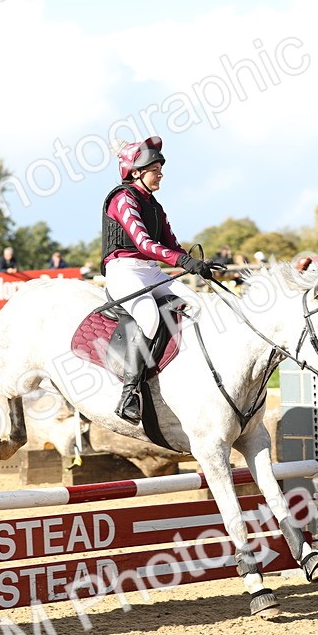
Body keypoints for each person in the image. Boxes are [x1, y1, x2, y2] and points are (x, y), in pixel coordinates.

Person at [102, 135, 223, 423]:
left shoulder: (154, 204)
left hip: (150, 271)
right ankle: (129, 395)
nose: (161, 174)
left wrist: (196, 264)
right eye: (155, 169)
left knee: (198, 304)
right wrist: (182, 261)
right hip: (123, 271)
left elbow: (171, 244)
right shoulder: (122, 199)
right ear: (136, 173)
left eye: (160, 169)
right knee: (149, 317)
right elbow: (143, 243)